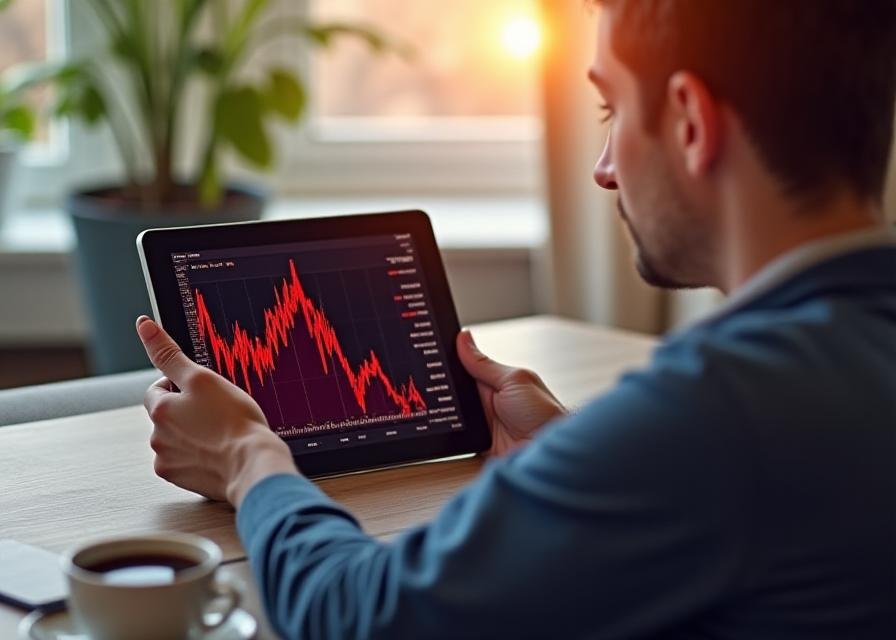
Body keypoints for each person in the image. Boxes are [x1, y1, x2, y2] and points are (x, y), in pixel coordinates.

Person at [135, 0, 896, 637]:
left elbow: (357, 618)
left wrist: (247, 456)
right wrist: (583, 454)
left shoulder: (723, 409)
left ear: (692, 122)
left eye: (613, 109)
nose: (603, 167)